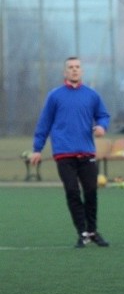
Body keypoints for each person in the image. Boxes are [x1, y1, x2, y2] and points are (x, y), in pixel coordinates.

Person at [31, 57, 111, 248]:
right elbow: (44, 123)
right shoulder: (55, 96)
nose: (74, 70)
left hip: (87, 152)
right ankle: (82, 233)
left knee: (91, 191)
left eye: (77, 67)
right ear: (64, 72)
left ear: (82, 71)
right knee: (72, 191)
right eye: (70, 67)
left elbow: (103, 115)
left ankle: (92, 231)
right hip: (64, 153)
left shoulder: (92, 95)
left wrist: (101, 127)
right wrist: (37, 149)